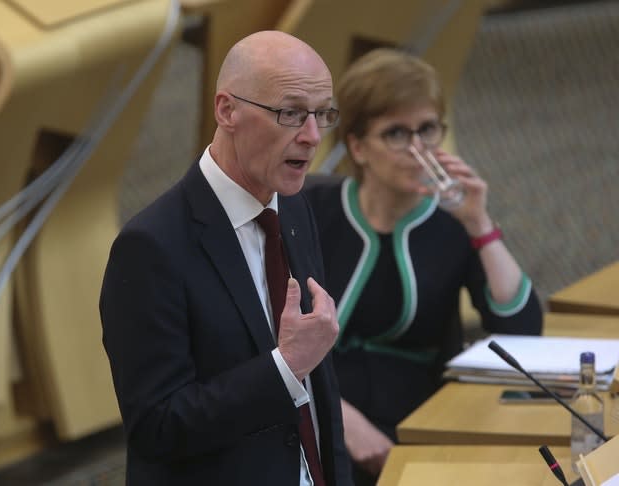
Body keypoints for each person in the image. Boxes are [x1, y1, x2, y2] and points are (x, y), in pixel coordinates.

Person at [100, 31, 352, 485]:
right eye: (291, 113)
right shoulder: (150, 247)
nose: (313, 136)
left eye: (322, 114)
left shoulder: (294, 207)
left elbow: (320, 392)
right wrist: (285, 367)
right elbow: (157, 428)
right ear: (227, 110)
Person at [304, 48, 543, 485]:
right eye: (396, 133)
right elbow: (260, 330)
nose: (418, 149)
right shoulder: (312, 211)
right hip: (308, 411)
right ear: (357, 146)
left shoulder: (452, 223)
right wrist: (337, 416)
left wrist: (480, 225)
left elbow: (523, 333)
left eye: (428, 129)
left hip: (411, 421)